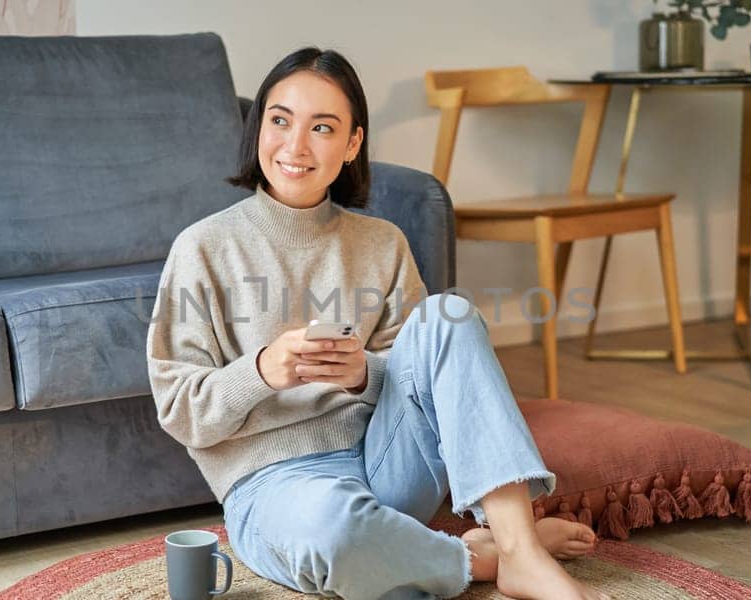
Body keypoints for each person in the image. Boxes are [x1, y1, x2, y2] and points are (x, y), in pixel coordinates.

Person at [146, 47, 606, 600]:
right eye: (280, 120)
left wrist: (363, 374)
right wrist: (264, 370)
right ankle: (479, 558)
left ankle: (519, 549)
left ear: (352, 144)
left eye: (322, 127)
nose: (295, 146)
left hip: (385, 465)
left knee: (449, 313)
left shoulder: (382, 242)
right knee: (335, 531)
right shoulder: (203, 248)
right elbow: (178, 409)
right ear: (258, 126)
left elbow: (422, 382)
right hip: (272, 487)